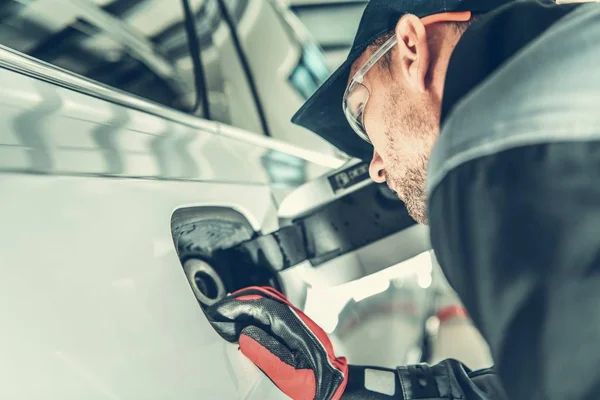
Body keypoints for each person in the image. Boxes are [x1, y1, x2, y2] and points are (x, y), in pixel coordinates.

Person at [207, 0, 600, 399]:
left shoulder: (481, 147)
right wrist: (348, 387)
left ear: (411, 48)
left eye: (360, 112)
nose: (375, 168)